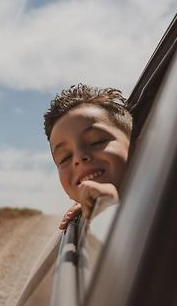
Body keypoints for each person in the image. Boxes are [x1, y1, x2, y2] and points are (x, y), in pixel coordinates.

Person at [43, 84, 132, 229]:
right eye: (65, 157)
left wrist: (109, 209)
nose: (79, 157)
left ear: (138, 145)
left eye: (97, 141)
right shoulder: (79, 220)